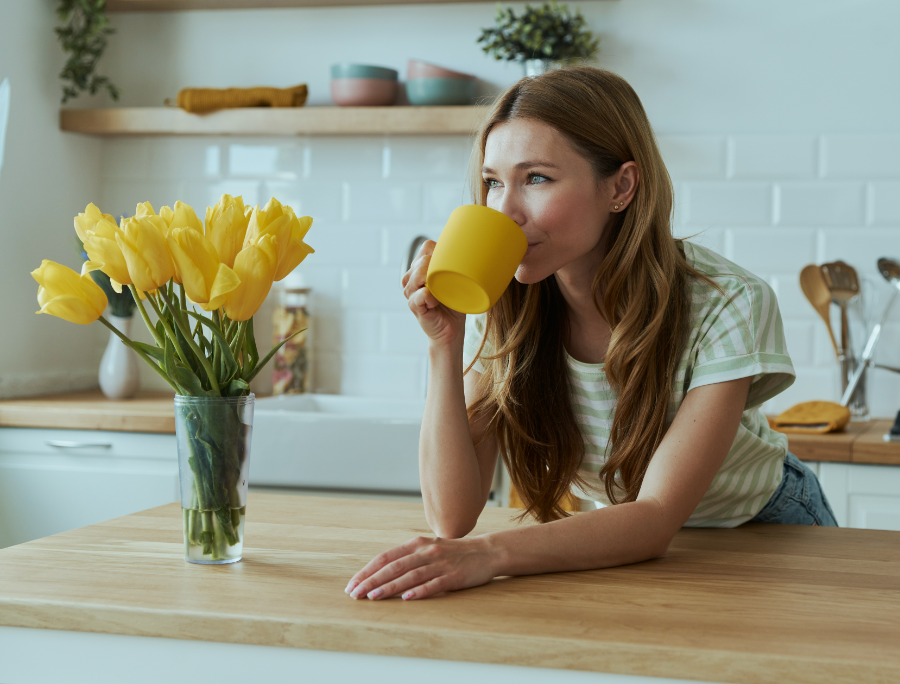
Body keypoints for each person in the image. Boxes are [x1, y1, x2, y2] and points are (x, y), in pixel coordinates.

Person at [344, 66, 837, 603]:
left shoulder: (728, 301)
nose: (505, 212)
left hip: (765, 530)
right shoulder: (503, 300)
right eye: (492, 182)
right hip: (616, 539)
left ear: (621, 186)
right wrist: (445, 344)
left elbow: (654, 517)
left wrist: (489, 554)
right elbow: (451, 516)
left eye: (536, 178)